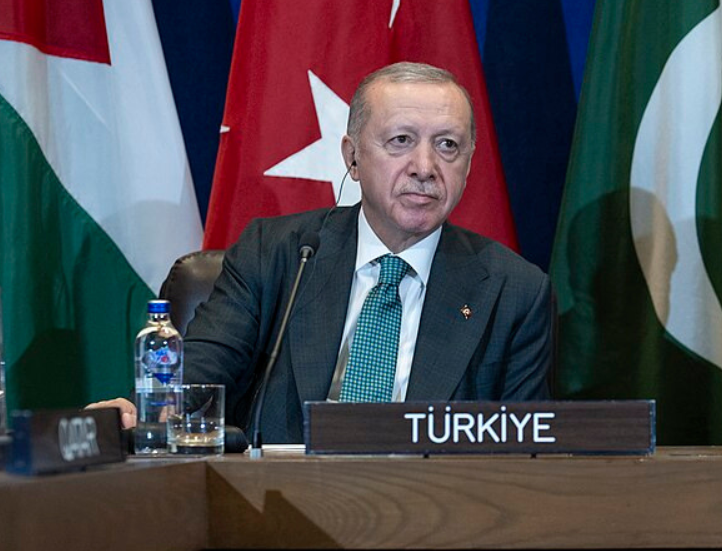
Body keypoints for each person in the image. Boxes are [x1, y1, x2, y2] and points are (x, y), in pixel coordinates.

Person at [92, 62, 552, 443]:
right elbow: (202, 375)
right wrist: (144, 412)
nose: (425, 167)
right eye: (401, 141)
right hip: (281, 504)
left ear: (468, 165)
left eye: (448, 145)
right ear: (352, 157)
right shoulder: (275, 254)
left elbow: (528, 455)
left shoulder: (515, 291)